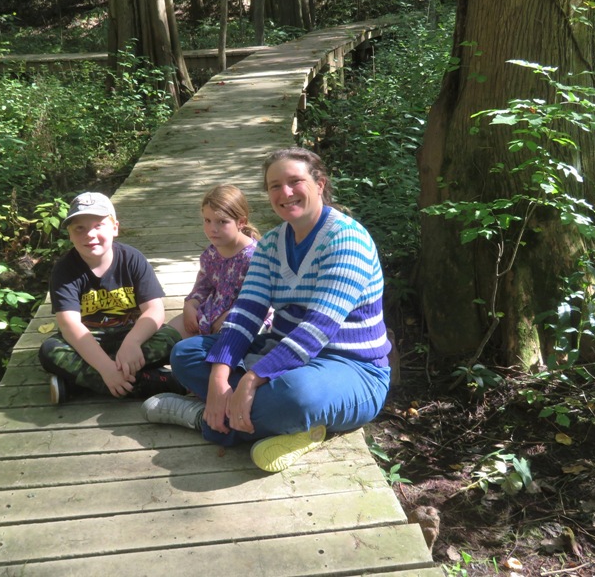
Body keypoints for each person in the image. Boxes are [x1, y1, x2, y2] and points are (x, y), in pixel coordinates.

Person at [142, 147, 392, 473]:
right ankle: (282, 424)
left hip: (350, 370)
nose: (285, 193)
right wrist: (220, 377)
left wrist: (249, 380)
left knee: (296, 395)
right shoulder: (272, 244)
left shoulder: (347, 240)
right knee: (186, 352)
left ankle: (201, 418)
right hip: (281, 354)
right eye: (275, 185)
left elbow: (316, 330)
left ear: (319, 184)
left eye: (294, 181)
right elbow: (246, 312)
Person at [39, 191, 185, 404]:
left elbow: (154, 311)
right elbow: (69, 325)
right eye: (79, 228)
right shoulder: (64, 270)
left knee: (171, 338)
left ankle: (74, 384)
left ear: (115, 227)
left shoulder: (132, 259)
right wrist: (107, 369)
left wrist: (132, 343)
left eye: (98, 225)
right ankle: (160, 381)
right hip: (89, 341)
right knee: (50, 351)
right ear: (70, 234)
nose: (89, 234)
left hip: (130, 335)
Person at [168, 184, 268, 339]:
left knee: (197, 353)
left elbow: (261, 301)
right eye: (207, 220)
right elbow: (202, 287)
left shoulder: (255, 257)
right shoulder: (211, 254)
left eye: (222, 222)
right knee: (164, 337)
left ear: (241, 222)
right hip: (209, 315)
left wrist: (230, 316)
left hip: (245, 321)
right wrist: (190, 306)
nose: (212, 228)